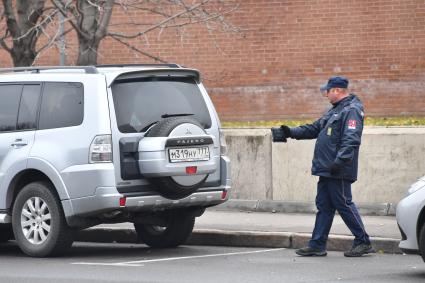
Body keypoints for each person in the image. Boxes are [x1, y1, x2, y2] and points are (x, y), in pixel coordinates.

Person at [272, 76, 374, 257]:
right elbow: (314, 128)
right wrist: (290, 132)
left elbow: (351, 140)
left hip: (338, 169)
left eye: (327, 91)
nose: (325, 95)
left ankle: (363, 241)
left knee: (344, 203)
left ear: (336, 90)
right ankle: (317, 244)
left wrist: (340, 162)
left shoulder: (351, 110)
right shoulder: (334, 111)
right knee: (324, 206)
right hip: (327, 169)